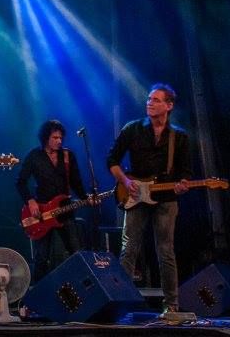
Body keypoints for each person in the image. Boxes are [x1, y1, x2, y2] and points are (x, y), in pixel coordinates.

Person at [107, 83, 192, 316]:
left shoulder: (179, 136)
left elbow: (185, 171)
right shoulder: (133, 129)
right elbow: (112, 160)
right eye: (149, 99)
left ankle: (171, 305)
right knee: (129, 249)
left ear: (169, 105)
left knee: (165, 251)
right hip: (135, 196)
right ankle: (120, 302)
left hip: (165, 199)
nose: (149, 103)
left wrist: (183, 184)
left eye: (156, 100)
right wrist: (126, 182)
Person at [16, 119, 89, 281]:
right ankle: (37, 291)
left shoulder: (68, 155)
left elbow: (76, 182)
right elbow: (20, 182)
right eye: (55, 138)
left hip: (65, 210)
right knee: (42, 256)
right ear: (45, 138)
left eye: (61, 138)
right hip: (42, 213)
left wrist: (86, 198)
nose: (59, 141)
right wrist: (30, 201)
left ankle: (82, 286)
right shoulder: (34, 156)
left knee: (76, 251)